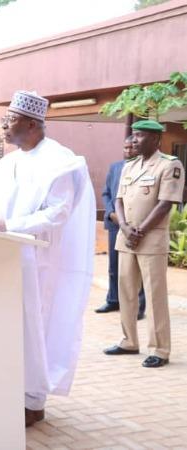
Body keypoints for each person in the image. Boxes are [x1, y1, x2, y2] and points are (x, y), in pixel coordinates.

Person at [0, 91, 96, 427]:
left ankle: (33, 402)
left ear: (33, 124)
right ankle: (9, 393)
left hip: (38, 261)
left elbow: (57, 213)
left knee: (35, 328)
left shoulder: (61, 161)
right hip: (3, 257)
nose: (4, 125)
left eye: (11, 119)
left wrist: (9, 225)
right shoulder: (10, 162)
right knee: (6, 327)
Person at [103, 120, 185, 368]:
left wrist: (141, 231)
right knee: (126, 292)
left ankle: (160, 349)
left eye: (140, 135)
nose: (134, 140)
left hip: (150, 240)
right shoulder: (129, 165)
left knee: (154, 295)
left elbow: (165, 203)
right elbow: (118, 199)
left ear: (155, 139)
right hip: (126, 238)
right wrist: (125, 227)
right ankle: (129, 341)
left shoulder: (169, 165)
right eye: (134, 135)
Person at [96, 136, 146, 319]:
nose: (128, 151)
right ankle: (113, 300)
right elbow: (107, 193)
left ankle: (139, 306)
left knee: (137, 266)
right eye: (125, 148)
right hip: (115, 224)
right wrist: (111, 214)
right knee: (114, 265)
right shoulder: (115, 167)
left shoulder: (146, 168)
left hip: (136, 225)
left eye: (131, 147)